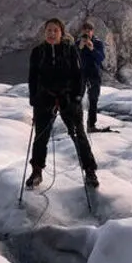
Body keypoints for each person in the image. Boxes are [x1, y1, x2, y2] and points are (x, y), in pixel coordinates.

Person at [26, 18, 99, 189]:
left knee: (79, 135)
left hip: (68, 98)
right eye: (49, 30)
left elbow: (79, 76)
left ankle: (90, 171)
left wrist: (77, 97)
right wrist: (33, 98)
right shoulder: (38, 52)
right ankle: (37, 171)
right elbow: (32, 77)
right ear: (45, 32)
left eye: (55, 31)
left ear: (61, 33)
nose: (51, 34)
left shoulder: (70, 51)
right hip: (44, 98)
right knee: (40, 137)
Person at [76, 20, 106, 132]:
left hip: (94, 74)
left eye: (89, 30)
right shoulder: (77, 44)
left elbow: (101, 58)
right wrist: (79, 48)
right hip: (81, 74)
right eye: (85, 30)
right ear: (81, 31)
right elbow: (72, 58)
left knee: (93, 99)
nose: (87, 33)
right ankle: (77, 124)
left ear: (92, 32)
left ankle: (91, 125)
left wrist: (92, 49)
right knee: (78, 98)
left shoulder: (98, 43)